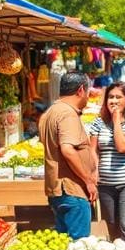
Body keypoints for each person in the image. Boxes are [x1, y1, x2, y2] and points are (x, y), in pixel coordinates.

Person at [39, 71, 98, 240]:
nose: (87, 96)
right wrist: (88, 180)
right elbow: (67, 149)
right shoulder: (67, 114)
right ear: (80, 90)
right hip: (72, 189)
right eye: (87, 91)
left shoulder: (50, 112)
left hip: (59, 189)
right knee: (77, 246)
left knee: (64, 243)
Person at [89, 81, 125, 246]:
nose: (113, 100)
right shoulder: (98, 123)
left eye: (118, 97)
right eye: (110, 97)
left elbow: (122, 146)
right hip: (105, 185)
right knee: (112, 226)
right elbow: (93, 150)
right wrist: (94, 174)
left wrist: (116, 121)